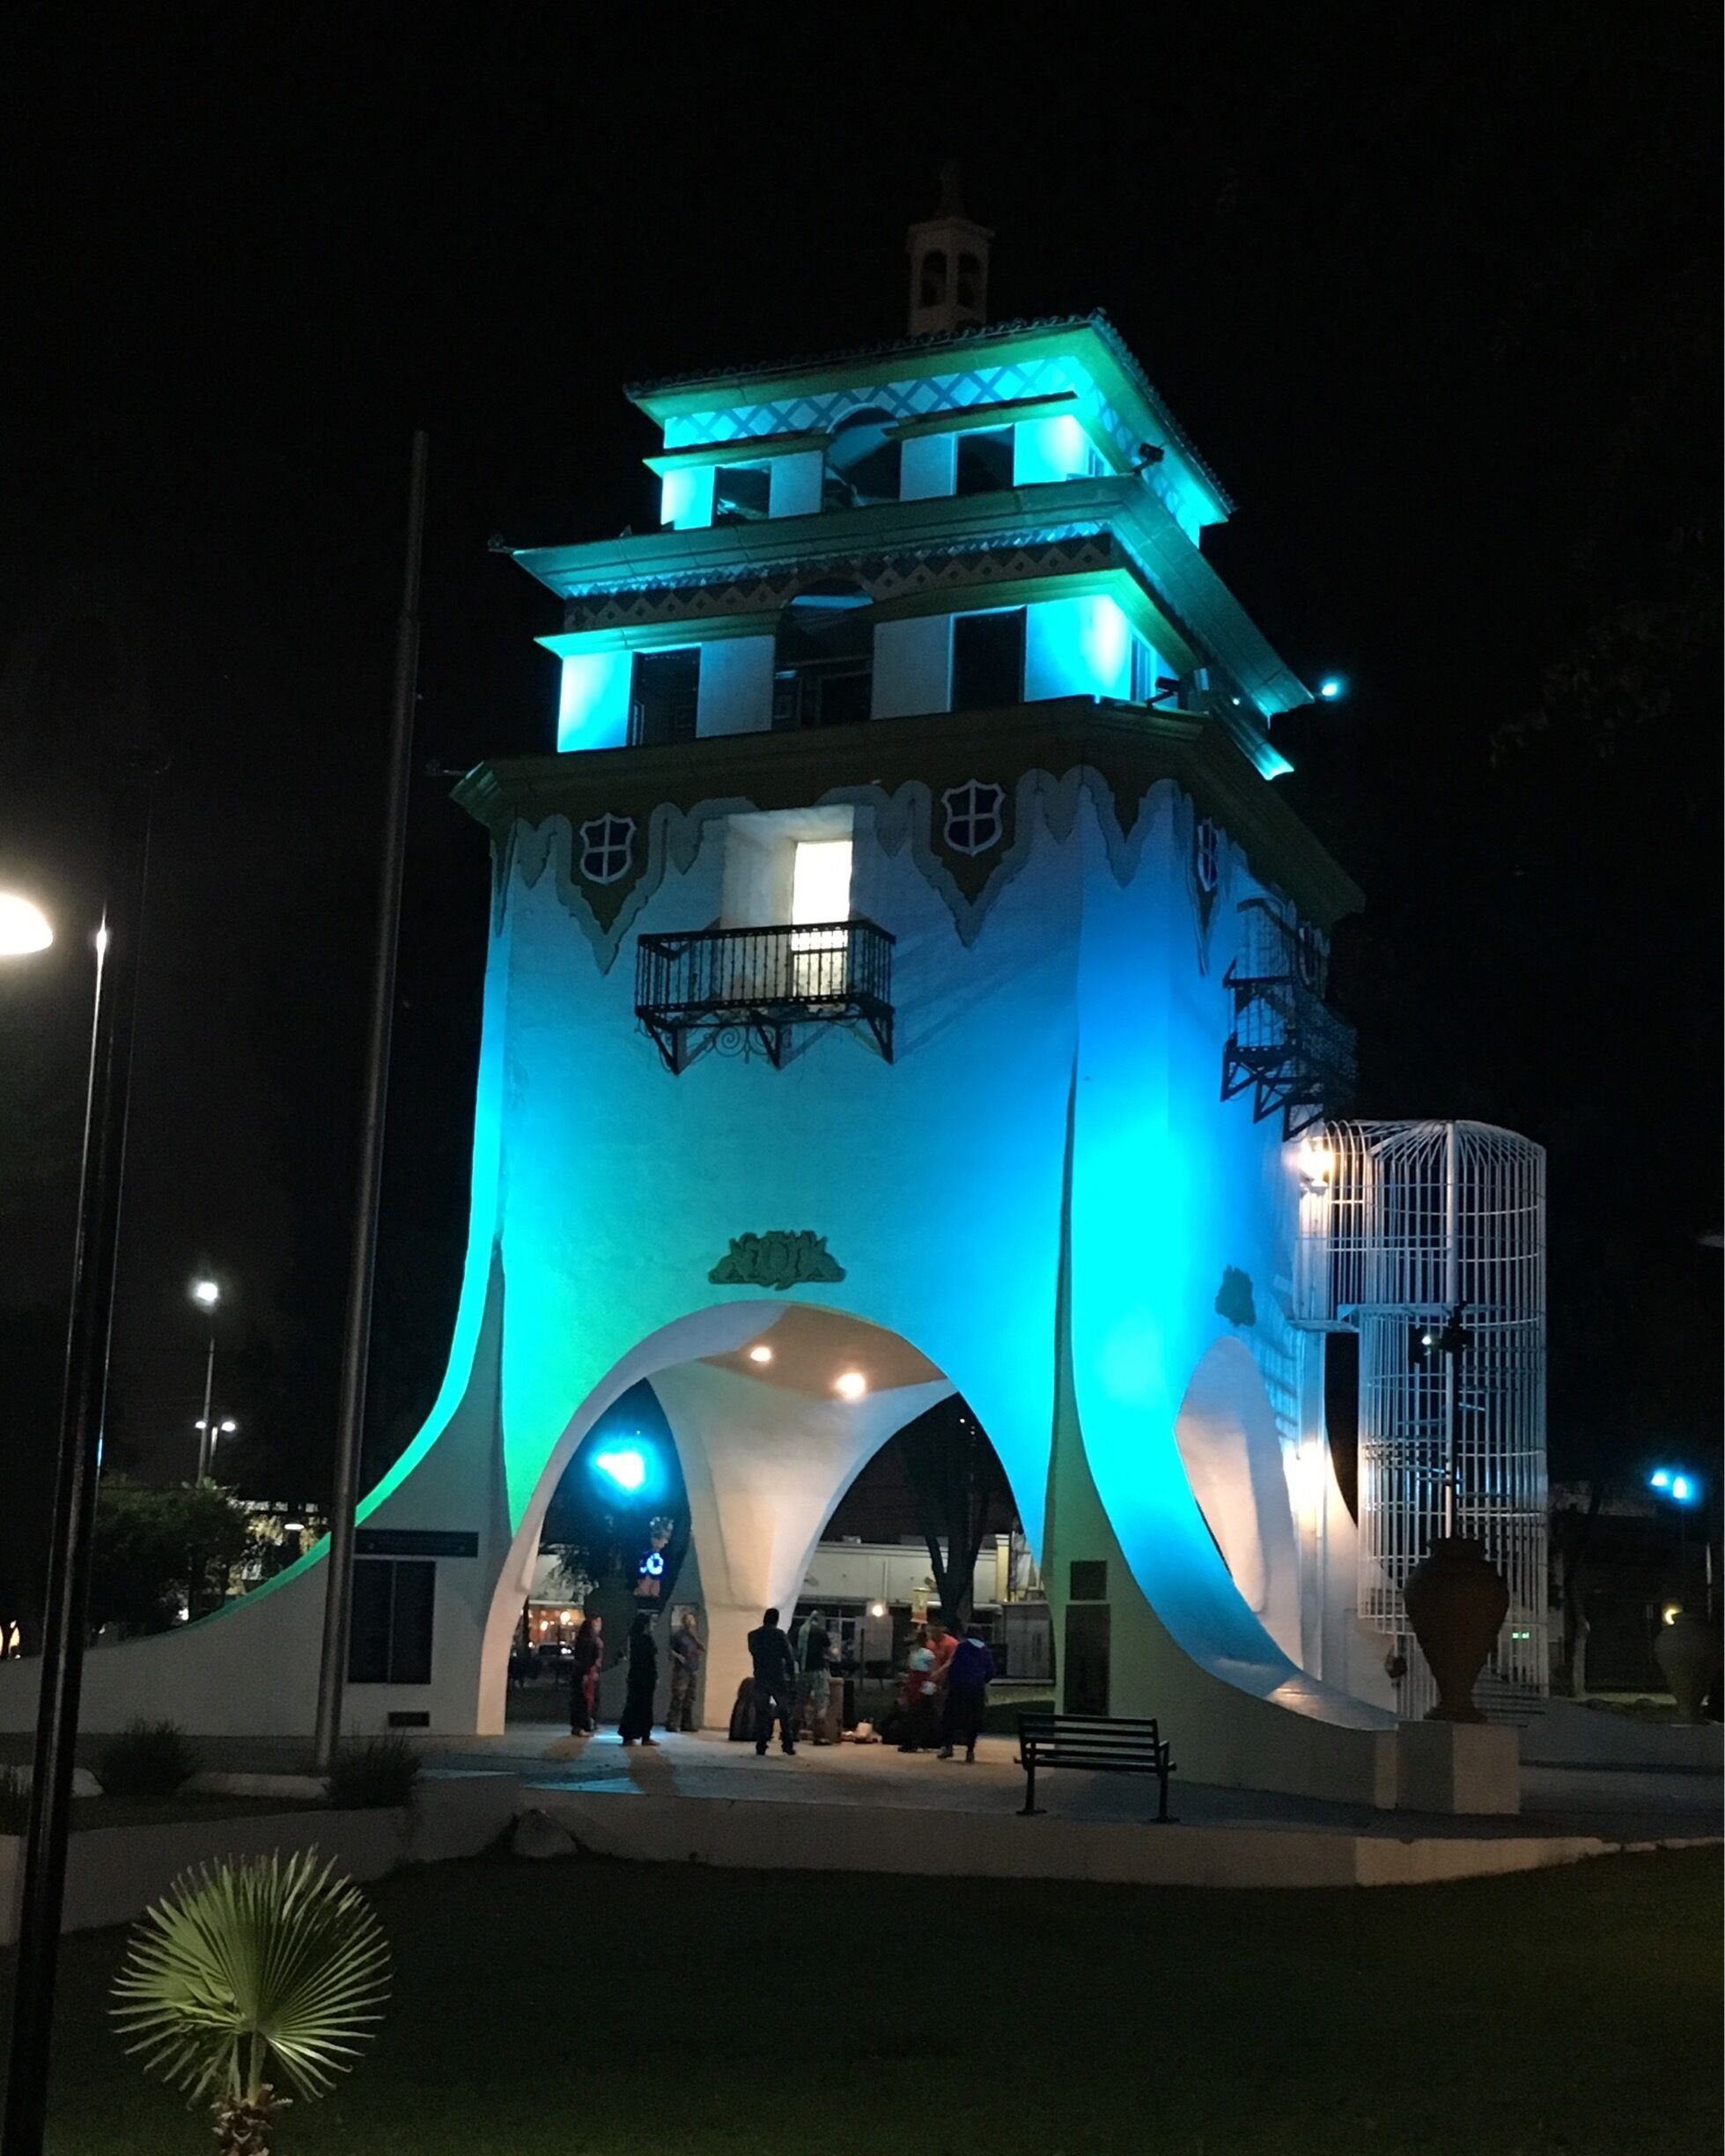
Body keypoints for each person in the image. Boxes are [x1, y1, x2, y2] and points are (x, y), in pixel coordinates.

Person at [937, 1616, 996, 1761]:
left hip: (958, 1688)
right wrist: (982, 1680)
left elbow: (954, 1666)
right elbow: (991, 1672)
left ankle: (948, 1746)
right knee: (974, 1720)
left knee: (951, 1717)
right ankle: (970, 1750)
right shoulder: (985, 1650)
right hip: (976, 1690)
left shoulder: (962, 1647)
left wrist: (949, 1682)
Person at [746, 1606, 798, 1756]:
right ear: (776, 1620)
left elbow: (754, 1652)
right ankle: (787, 1745)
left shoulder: (753, 1635)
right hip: (777, 1677)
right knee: (784, 1711)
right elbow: (789, 1657)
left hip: (761, 1677)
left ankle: (760, 1745)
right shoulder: (780, 1635)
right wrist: (792, 1677)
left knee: (761, 1712)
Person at [618, 1612, 659, 1746]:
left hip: (636, 1677)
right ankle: (644, 1735)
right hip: (645, 1678)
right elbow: (650, 1660)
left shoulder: (634, 1639)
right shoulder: (645, 1640)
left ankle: (629, 1735)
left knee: (633, 1705)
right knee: (645, 1707)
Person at [896, 1626, 939, 1753]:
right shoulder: (928, 1654)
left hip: (915, 1684)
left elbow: (911, 1671)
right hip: (922, 1683)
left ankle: (912, 1741)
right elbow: (933, 1670)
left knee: (914, 1713)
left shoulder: (914, 1654)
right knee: (923, 1714)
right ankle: (924, 1741)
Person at [666, 1609, 705, 1732]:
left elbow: (703, 1648)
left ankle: (686, 1724)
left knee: (690, 1697)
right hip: (681, 1670)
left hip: (692, 1668)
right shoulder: (678, 1635)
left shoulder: (693, 1636)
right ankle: (672, 1723)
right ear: (684, 1622)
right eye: (688, 1620)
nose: (690, 1622)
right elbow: (670, 1649)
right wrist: (679, 1657)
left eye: (692, 1620)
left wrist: (696, 1640)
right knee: (678, 1696)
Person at [799, 1608, 835, 1745]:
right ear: (820, 1620)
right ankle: (819, 1735)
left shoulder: (801, 1631)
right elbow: (828, 1650)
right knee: (822, 1700)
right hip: (818, 1671)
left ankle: (792, 1732)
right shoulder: (820, 1633)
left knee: (800, 1701)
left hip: (803, 1671)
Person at [569, 1613, 603, 1735]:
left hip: (583, 1672)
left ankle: (581, 1725)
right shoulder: (590, 1641)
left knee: (581, 1699)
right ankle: (583, 1725)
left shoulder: (582, 1640)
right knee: (585, 1700)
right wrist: (589, 1672)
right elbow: (589, 1658)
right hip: (588, 1673)